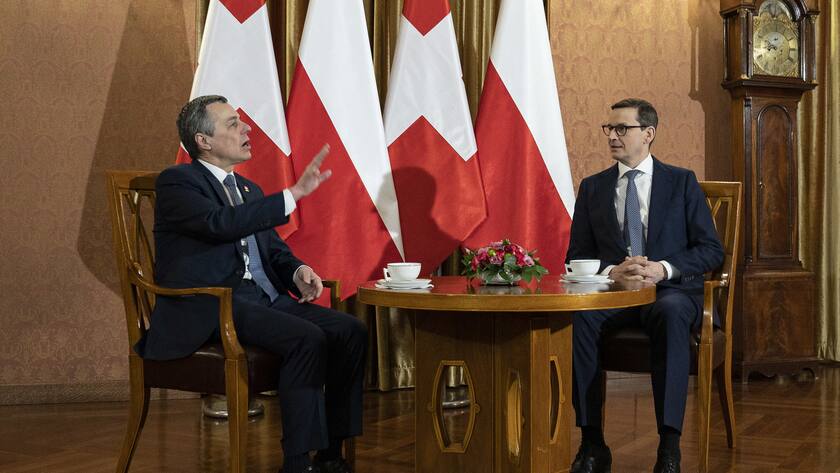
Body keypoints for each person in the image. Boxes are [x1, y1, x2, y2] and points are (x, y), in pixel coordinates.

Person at [135, 95, 366, 473]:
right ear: (203, 141)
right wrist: (292, 195)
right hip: (214, 303)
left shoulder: (248, 190)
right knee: (306, 338)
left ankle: (330, 454)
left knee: (350, 331)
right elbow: (220, 224)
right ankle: (296, 462)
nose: (247, 130)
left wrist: (296, 271)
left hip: (262, 299)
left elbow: (274, 251)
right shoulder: (178, 182)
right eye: (232, 124)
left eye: (242, 122)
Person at [566, 98, 723, 473]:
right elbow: (574, 256)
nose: (613, 136)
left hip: (669, 293)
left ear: (648, 134)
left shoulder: (681, 182)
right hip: (616, 295)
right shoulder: (593, 188)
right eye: (610, 129)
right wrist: (610, 273)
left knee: (670, 313)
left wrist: (663, 268)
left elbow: (711, 250)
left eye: (622, 129)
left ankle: (669, 448)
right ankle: (592, 444)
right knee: (577, 320)